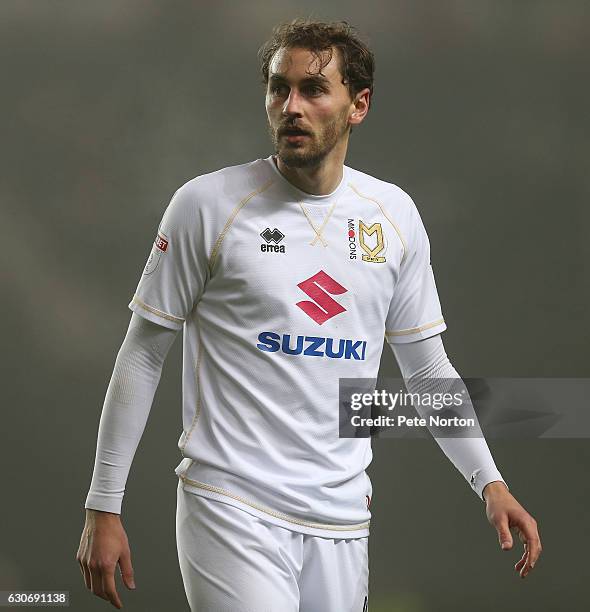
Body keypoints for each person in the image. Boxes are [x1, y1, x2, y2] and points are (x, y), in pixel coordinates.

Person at [76, 19, 542, 611]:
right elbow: (142, 355)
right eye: (279, 88)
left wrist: (490, 483)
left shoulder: (392, 215)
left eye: (314, 90)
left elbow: (427, 374)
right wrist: (103, 503)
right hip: (231, 504)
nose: (290, 106)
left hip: (342, 518)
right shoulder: (207, 205)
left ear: (358, 105)